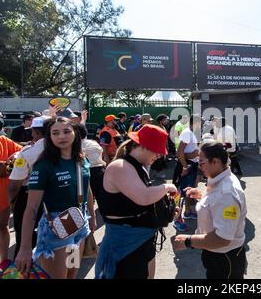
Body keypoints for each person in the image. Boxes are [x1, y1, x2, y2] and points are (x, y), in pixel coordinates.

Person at [15, 117, 96, 279]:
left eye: (66, 131)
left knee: (72, 275)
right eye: (55, 133)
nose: (61, 136)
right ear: (49, 137)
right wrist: (24, 247)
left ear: (75, 133)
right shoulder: (44, 165)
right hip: (56, 228)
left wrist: (92, 217)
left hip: (79, 224)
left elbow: (87, 189)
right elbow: (31, 209)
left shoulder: (82, 159)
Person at [94, 125, 178, 279]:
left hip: (142, 240)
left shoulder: (139, 166)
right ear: (143, 146)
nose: (159, 156)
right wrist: (167, 186)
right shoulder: (120, 166)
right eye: (157, 151)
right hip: (125, 243)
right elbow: (144, 197)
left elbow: (139, 202)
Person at [173, 141, 247, 279]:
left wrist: (188, 241)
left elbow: (223, 239)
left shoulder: (227, 194)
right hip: (215, 252)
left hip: (224, 257)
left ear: (216, 161)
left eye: (202, 163)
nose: (200, 167)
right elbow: (216, 202)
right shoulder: (221, 178)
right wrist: (201, 195)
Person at [7, 117, 49, 259]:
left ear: (36, 132)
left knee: (25, 240)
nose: (31, 135)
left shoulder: (27, 153)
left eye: (32, 132)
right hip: (56, 199)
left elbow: (14, 185)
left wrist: (11, 202)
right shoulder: (65, 150)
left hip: (27, 198)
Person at [173, 115, 202, 231]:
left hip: (192, 165)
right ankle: (177, 220)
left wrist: (195, 155)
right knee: (180, 194)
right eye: (200, 123)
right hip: (186, 165)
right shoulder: (187, 133)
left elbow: (191, 151)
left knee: (189, 190)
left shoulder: (193, 133)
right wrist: (185, 166)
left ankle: (188, 212)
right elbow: (179, 152)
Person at [0, 134, 22, 266]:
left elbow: (22, 151)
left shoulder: (3, 141)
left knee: (2, 226)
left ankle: (3, 261)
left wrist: (14, 158)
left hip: (3, 195)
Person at [78, 124, 106, 200]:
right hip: (100, 170)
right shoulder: (93, 142)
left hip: (87, 172)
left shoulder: (76, 145)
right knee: (101, 197)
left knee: (87, 197)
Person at [151, 114, 169, 179]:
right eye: (165, 120)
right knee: (159, 161)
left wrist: (166, 147)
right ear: (161, 121)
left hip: (163, 147)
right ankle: (157, 173)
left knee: (161, 161)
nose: (166, 121)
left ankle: (157, 173)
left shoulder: (163, 127)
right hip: (159, 148)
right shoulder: (158, 128)